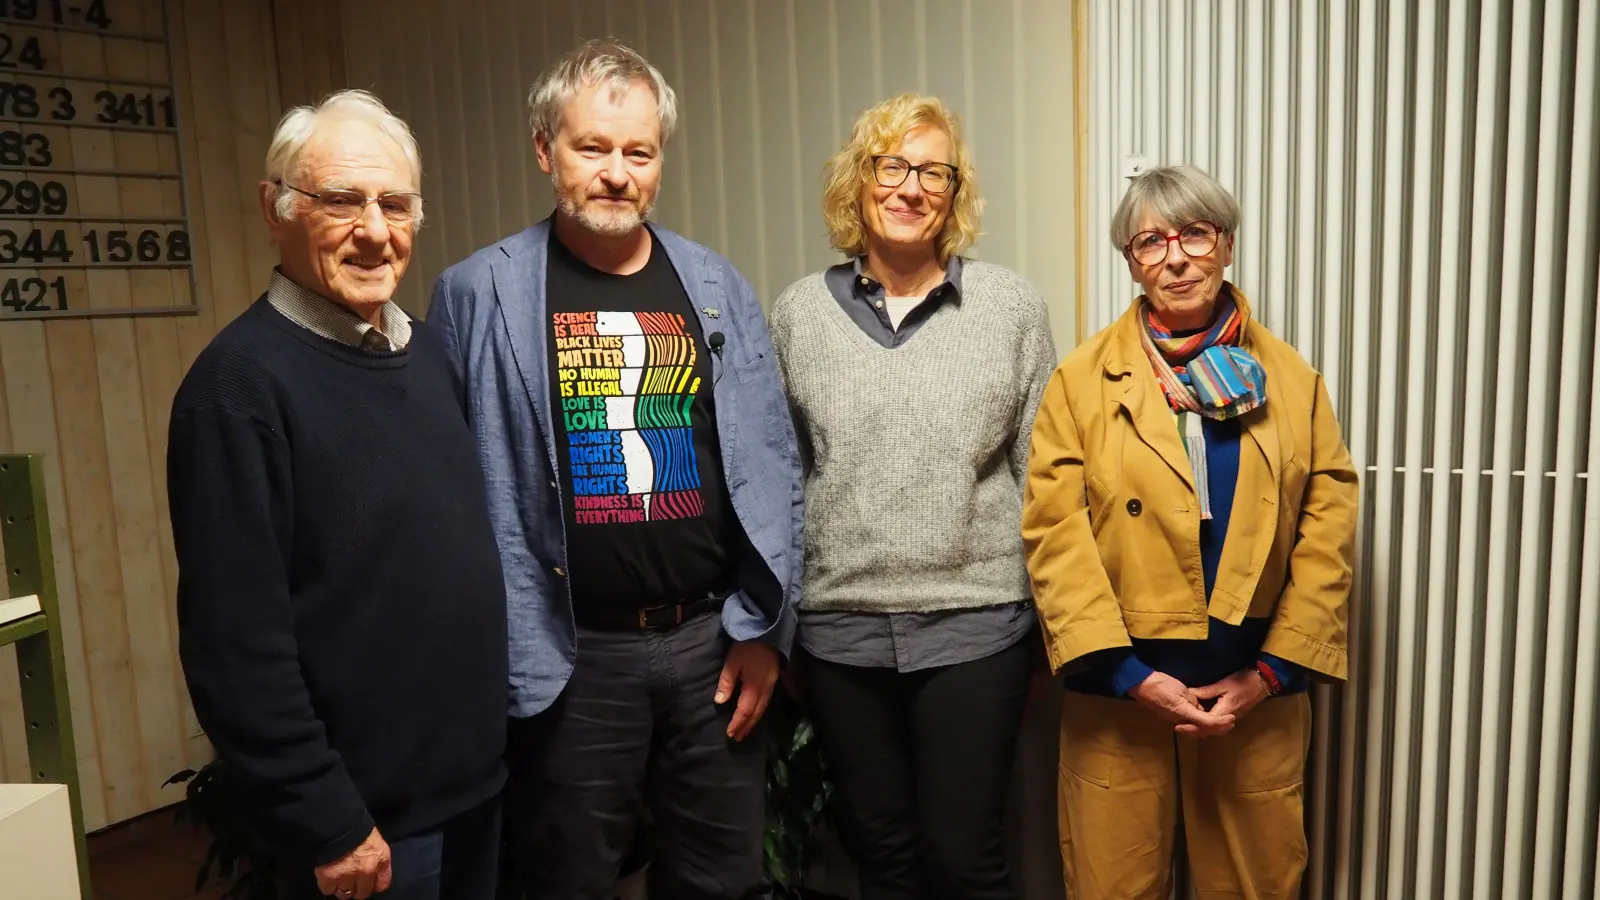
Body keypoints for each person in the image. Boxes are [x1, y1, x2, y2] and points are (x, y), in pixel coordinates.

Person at [425, 39, 803, 900]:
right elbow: (446, 487)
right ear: (544, 149)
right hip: (570, 658)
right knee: (568, 879)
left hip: (711, 643)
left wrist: (764, 632)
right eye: (592, 147)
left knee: (720, 880)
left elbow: (770, 462)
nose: (616, 173)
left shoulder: (710, 283)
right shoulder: (477, 293)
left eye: (638, 152)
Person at [167, 90, 508, 900]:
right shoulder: (237, 389)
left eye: (394, 203)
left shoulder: (427, 357)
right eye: (342, 201)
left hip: (473, 797)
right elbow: (233, 641)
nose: (374, 230)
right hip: (363, 826)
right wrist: (323, 814)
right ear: (274, 209)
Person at [1022, 164, 1359, 899]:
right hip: (1118, 692)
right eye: (1151, 242)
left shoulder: (1294, 382)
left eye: (1194, 235)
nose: (1175, 257)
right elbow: (1054, 534)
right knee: (1112, 885)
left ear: (1226, 245)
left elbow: (1326, 530)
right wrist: (1127, 676)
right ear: (1131, 261)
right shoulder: (1079, 382)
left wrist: (1271, 674)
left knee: (1254, 884)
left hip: (1253, 692)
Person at [767, 93, 1056, 900]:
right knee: (882, 862)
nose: (911, 187)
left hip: (977, 625)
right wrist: (781, 625)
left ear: (955, 192)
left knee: (966, 862)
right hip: (840, 636)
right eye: (890, 166)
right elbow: (782, 481)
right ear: (857, 185)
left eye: (934, 171)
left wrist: (1047, 627)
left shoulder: (1009, 309)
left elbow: (1045, 478)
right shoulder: (797, 315)